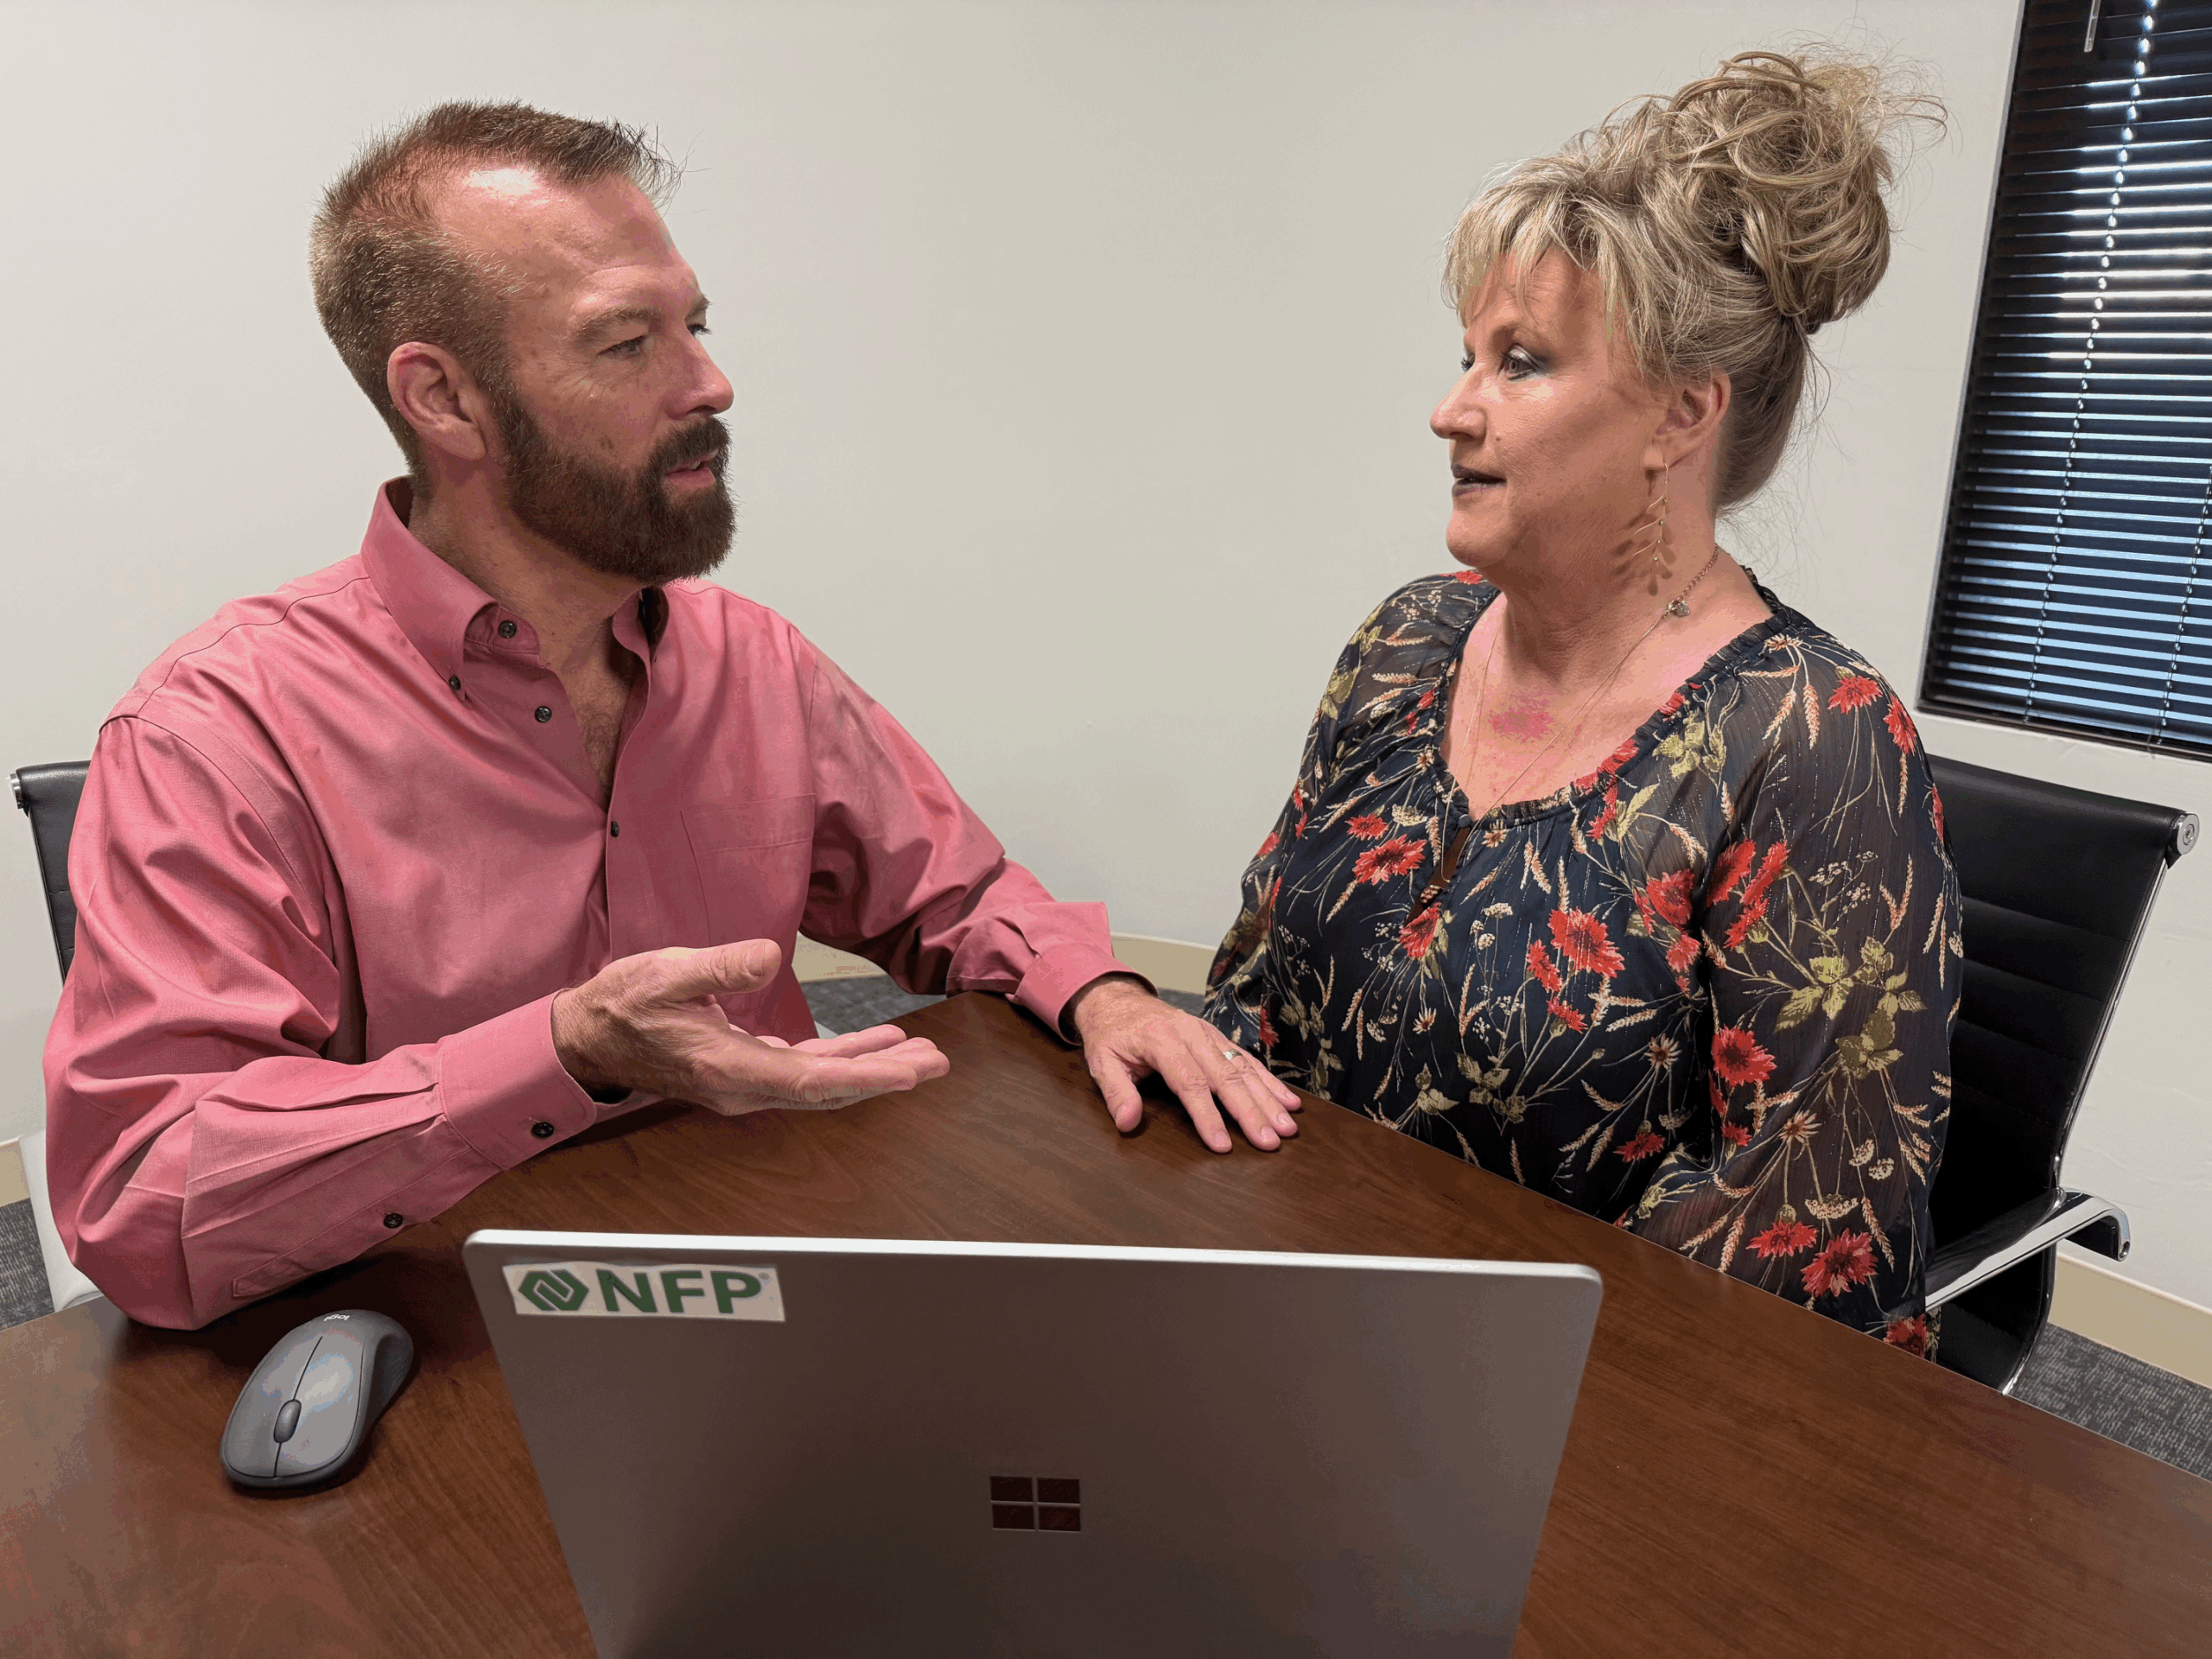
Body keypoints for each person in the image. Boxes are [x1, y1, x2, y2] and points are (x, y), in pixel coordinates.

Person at [47, 103, 1300, 1332]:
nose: (712, 382)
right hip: (448, 1336)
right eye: (625, 343)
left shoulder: (750, 659)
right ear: (444, 400)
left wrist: (1108, 996)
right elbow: (148, 1203)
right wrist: (567, 1053)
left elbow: (959, 898)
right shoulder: (215, 734)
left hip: (773, 1285)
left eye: (694, 323)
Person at [1204, 51, 1957, 1349]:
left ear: (1681, 415)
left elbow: (1794, 1267)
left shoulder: (1814, 745)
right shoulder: (1408, 642)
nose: (1452, 409)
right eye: (1467, 357)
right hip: (1300, 1312)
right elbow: (1252, 1000)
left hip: (1589, 1417)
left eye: (1522, 364)